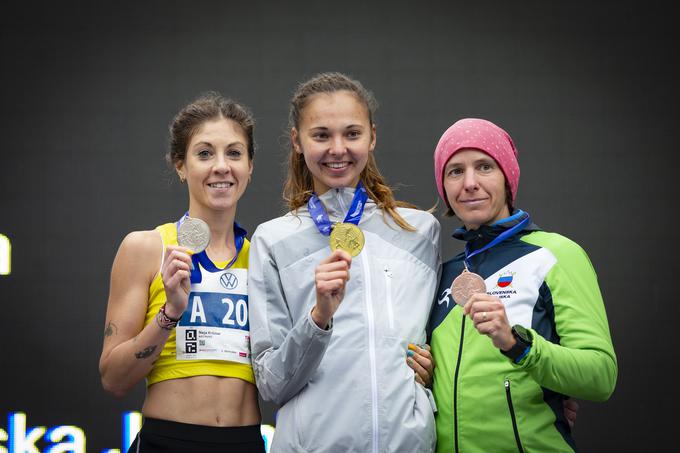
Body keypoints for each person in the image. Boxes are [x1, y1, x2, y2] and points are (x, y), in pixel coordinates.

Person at [248, 72, 439, 452]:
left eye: (351, 134)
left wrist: (437, 369)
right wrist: (318, 318)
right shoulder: (272, 240)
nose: (338, 148)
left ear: (372, 136)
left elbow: (435, 341)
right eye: (321, 135)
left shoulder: (420, 232)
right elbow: (270, 382)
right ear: (297, 142)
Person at [428, 118, 617, 452]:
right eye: (455, 171)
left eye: (484, 166)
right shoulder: (444, 273)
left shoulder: (555, 254)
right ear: (444, 186)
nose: (469, 183)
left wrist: (518, 345)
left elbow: (600, 377)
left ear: (508, 177)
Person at [99, 93, 264, 453]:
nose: (221, 166)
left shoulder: (265, 259)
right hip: (169, 441)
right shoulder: (145, 248)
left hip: (245, 442)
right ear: (180, 165)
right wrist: (169, 313)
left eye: (234, 153)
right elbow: (113, 379)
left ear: (250, 166)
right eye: (205, 153)